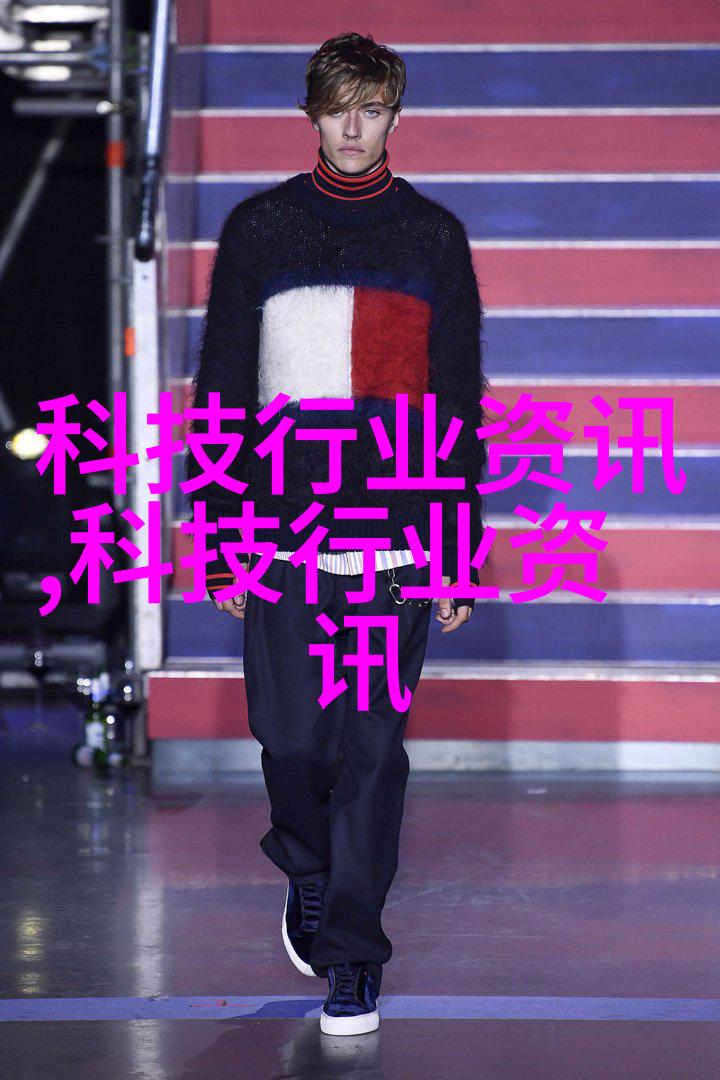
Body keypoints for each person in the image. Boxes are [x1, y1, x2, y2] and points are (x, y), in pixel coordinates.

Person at [183, 31, 489, 1036]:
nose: (354, 127)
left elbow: (456, 404)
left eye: (372, 108)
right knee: (290, 740)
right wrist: (221, 532)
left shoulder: (433, 238)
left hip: (391, 546)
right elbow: (223, 386)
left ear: (396, 115)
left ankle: (353, 956)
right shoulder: (261, 229)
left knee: (370, 755)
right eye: (337, 108)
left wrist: (456, 548)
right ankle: (308, 869)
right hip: (282, 538)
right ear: (311, 114)